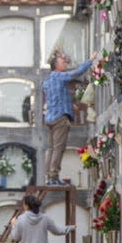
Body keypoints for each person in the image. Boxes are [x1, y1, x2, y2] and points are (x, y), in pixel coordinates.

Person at [43, 50, 98, 185]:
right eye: (62, 62)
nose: (65, 63)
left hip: (50, 118)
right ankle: (53, 177)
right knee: (59, 148)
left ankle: (49, 177)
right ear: (56, 65)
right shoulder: (59, 76)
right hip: (60, 118)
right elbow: (75, 73)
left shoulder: (47, 81)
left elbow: (56, 97)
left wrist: (70, 104)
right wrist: (90, 60)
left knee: (51, 148)